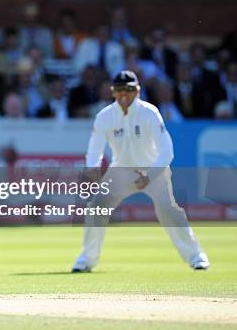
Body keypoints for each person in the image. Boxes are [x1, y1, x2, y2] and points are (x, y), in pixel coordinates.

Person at [72, 71, 210, 273]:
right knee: (97, 207)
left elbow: (167, 150)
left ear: (137, 90)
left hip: (152, 169)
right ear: (113, 91)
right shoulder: (105, 116)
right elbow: (94, 149)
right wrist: (93, 170)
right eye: (119, 90)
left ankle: (196, 256)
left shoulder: (149, 112)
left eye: (129, 89)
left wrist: (151, 175)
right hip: (120, 170)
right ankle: (87, 259)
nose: (124, 94)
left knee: (168, 210)